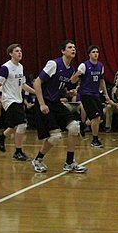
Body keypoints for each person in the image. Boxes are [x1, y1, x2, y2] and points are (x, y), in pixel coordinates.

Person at [31, 40, 87, 173]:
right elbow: (37, 83)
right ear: (63, 51)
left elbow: (60, 88)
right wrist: (42, 104)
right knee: (55, 137)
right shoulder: (53, 64)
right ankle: (37, 160)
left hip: (56, 103)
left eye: (74, 47)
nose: (73, 49)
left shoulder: (70, 70)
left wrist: (68, 93)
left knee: (74, 127)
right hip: (44, 103)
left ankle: (69, 162)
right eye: (69, 47)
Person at [0, 44, 36, 161]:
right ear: (11, 54)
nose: (19, 53)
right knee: (22, 124)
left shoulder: (20, 66)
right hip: (8, 100)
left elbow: (23, 85)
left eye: (20, 51)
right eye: (16, 51)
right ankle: (18, 152)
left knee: (13, 124)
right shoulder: (6, 68)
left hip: (18, 99)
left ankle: (1, 137)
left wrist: (36, 92)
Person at [74, 45, 110, 148]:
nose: (96, 54)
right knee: (96, 117)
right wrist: (76, 75)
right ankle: (94, 140)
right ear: (89, 54)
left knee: (100, 118)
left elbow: (102, 81)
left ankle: (82, 125)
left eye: (97, 52)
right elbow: (73, 80)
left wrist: (106, 95)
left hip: (96, 94)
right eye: (93, 52)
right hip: (86, 94)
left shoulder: (100, 66)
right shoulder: (84, 66)